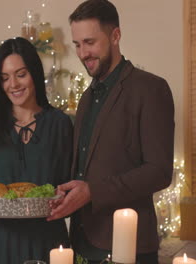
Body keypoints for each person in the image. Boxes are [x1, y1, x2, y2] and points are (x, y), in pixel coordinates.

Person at [47, 1, 175, 263]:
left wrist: (93, 191)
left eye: (90, 42)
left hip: (128, 248)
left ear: (115, 35)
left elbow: (159, 171)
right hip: (81, 243)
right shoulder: (85, 98)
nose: (83, 53)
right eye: (77, 45)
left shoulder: (150, 89)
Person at [0, 37, 73, 264]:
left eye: (21, 74)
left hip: (48, 243)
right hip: (1, 246)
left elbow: (69, 187)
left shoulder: (60, 124)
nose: (13, 85)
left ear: (34, 73)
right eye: (5, 78)